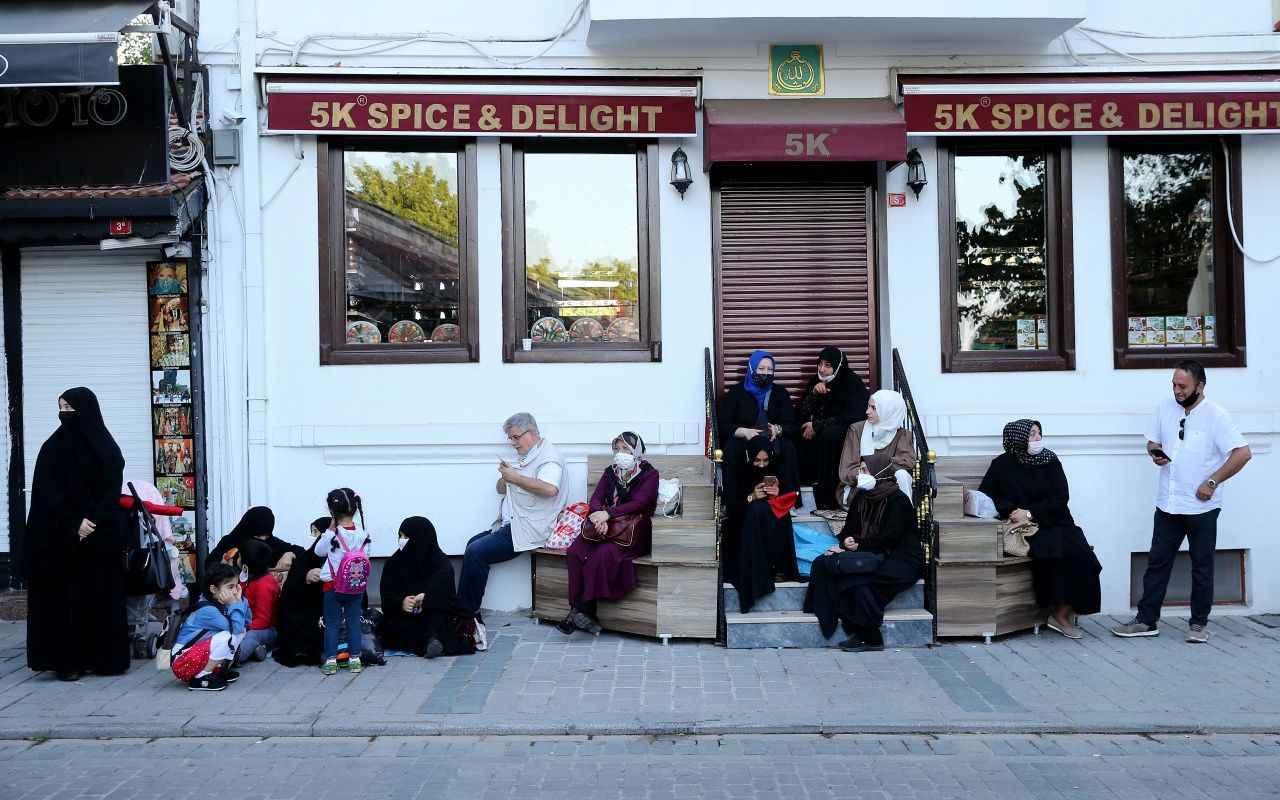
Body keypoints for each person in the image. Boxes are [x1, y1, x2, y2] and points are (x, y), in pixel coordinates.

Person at [1113, 360, 1251, 643]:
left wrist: (1212, 482)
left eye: (1183, 386)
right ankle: (1146, 620)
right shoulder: (1165, 407)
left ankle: (1198, 624)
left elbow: (1242, 453)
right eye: (1174, 385)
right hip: (1168, 504)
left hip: (1201, 507)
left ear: (1200, 386)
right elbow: (1151, 441)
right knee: (1157, 563)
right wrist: (1155, 452)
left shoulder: (1216, 415)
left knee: (1202, 567)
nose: (1177, 390)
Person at [23, 387, 130, 681]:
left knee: (99, 598)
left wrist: (90, 523)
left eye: (70, 407)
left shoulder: (107, 449)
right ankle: (68, 663)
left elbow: (110, 491)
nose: (64, 413)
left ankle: (103, 659)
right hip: (65, 542)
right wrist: (73, 524)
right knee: (67, 601)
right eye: (61, 407)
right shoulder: (52, 448)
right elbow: (46, 496)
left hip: (99, 537)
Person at [978, 419, 1102, 640]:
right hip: (1026, 528)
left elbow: (1061, 496)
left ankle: (1062, 612)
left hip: (1056, 519)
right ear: (1018, 438)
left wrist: (1030, 511)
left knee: (1084, 556)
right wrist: (1013, 511)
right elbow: (987, 495)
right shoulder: (1002, 465)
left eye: (1039, 433)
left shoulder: (1050, 461)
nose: (1037, 439)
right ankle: (1058, 615)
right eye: (1032, 434)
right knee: (1053, 552)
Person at [804, 451, 924, 652]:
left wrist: (857, 545)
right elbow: (847, 530)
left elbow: (889, 537)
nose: (860, 474)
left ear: (880, 472)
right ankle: (852, 628)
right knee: (823, 563)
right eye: (860, 470)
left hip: (900, 559)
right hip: (871, 553)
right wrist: (846, 542)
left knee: (856, 581)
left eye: (865, 470)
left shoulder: (899, 501)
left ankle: (871, 638)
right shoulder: (862, 496)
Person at [458, 412, 568, 618]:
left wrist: (515, 478)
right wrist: (507, 478)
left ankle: (465, 615)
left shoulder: (549, 459)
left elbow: (550, 489)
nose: (513, 443)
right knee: (473, 544)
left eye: (516, 437)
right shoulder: (529, 456)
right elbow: (502, 488)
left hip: (529, 528)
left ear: (532, 433)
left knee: (476, 551)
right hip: (514, 524)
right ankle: (464, 608)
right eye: (510, 438)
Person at [560, 432, 659, 636]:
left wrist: (608, 514)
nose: (620, 453)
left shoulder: (650, 474)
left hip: (632, 532)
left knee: (601, 555)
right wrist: (598, 517)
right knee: (575, 552)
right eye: (617, 449)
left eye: (625, 449)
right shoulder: (610, 472)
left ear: (636, 451)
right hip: (602, 528)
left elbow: (639, 503)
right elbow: (596, 497)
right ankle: (587, 614)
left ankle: (576, 611)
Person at [722, 435, 802, 614]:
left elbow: (790, 498)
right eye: (757, 460)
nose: (761, 465)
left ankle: (778, 566)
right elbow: (733, 506)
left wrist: (776, 496)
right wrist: (751, 496)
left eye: (766, 461)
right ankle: (758, 569)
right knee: (757, 510)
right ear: (750, 457)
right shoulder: (739, 471)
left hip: (769, 524)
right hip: (743, 525)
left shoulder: (777, 470)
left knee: (780, 513)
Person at [379, 516, 477, 658]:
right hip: (405, 616)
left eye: (406, 536)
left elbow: (444, 586)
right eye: (400, 535)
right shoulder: (393, 562)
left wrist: (426, 596)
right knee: (389, 626)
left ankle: (430, 642)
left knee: (438, 619)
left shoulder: (439, 561)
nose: (401, 540)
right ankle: (431, 642)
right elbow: (387, 595)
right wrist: (402, 602)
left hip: (430, 613)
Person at [719, 350, 802, 510]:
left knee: (788, 447)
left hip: (771, 441)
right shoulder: (736, 393)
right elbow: (724, 425)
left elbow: (792, 424)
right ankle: (733, 501)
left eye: (770, 369)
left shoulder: (780, 393)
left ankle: (788, 502)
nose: (766, 373)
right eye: (761, 369)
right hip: (746, 442)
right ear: (752, 369)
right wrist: (745, 432)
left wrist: (778, 429)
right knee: (731, 447)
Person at [793, 347, 869, 518]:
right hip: (818, 433)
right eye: (820, 364)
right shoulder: (816, 381)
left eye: (828, 365)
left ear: (838, 366)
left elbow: (852, 416)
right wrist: (813, 394)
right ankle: (804, 482)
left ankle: (829, 495)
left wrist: (818, 425)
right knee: (795, 434)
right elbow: (801, 411)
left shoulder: (852, 383)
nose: (822, 369)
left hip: (842, 433)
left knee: (831, 434)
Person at [313, 488, 370, 675]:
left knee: (332, 622)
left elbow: (319, 552)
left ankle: (331, 660)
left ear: (332, 511)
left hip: (332, 585)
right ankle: (355, 659)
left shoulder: (333, 534)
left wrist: (328, 531)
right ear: (355, 508)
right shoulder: (363, 533)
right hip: (355, 585)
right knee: (354, 621)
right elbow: (366, 556)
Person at [170, 563, 250, 691]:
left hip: (193, 656)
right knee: (229, 636)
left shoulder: (219, 601)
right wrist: (235, 603)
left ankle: (219, 670)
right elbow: (235, 628)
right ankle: (201, 678)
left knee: (241, 632)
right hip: (182, 662)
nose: (235, 591)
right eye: (230, 587)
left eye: (236, 586)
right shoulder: (207, 610)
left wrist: (241, 601)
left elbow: (245, 622)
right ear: (214, 589)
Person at [837, 389, 917, 506]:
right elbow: (847, 469)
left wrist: (875, 466)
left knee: (902, 475)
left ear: (888, 411)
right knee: (868, 482)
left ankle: (905, 516)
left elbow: (907, 461)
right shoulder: (857, 430)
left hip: (888, 485)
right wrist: (867, 474)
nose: (867, 411)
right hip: (862, 484)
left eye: (873, 408)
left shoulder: (901, 435)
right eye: (868, 406)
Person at [273, 517, 330, 667]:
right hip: (304, 609)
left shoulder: (338, 558)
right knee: (295, 622)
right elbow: (289, 594)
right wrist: (306, 578)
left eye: (317, 532)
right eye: (312, 532)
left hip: (330, 609)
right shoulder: (304, 559)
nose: (313, 536)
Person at [206, 506, 295, 574]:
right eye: (257, 536)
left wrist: (290, 554)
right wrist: (222, 567)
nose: (263, 540)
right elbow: (209, 566)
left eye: (266, 535)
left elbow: (302, 553)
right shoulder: (230, 542)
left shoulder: (273, 542)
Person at [234, 539, 280, 664]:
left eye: (239, 556)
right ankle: (256, 650)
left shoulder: (263, 586)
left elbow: (264, 620)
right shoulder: (246, 577)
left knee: (252, 636)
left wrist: (244, 628)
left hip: (266, 629)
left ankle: (233, 658)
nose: (237, 558)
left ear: (245, 566)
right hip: (246, 623)